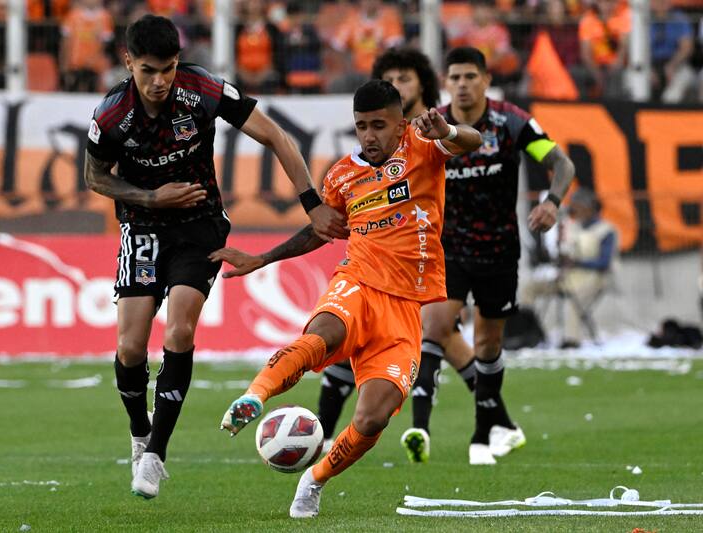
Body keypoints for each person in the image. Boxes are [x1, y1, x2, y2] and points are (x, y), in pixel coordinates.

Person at [83, 14, 347, 500]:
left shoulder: (202, 90)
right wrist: (151, 198)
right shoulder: (111, 115)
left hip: (201, 226)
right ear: (128, 64)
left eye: (166, 68)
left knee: (181, 329)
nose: (159, 81)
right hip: (142, 225)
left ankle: (157, 454)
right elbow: (96, 178)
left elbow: (275, 135)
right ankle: (140, 433)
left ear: (178, 62)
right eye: (147, 71)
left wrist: (311, 204)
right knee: (130, 349)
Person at [214, 79, 481, 518]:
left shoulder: (423, 145)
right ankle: (255, 396)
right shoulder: (341, 175)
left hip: (404, 309)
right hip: (357, 281)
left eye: (379, 125)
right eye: (361, 126)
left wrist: (447, 132)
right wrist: (264, 258)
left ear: (401, 124)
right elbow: (322, 230)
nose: (370, 136)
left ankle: (313, 479)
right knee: (324, 333)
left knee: (373, 417)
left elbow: (473, 141)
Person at [415, 47, 575, 466]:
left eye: (471, 76)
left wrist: (553, 201)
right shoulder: (434, 125)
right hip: (448, 247)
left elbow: (561, 164)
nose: (463, 84)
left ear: (487, 79)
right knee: (434, 325)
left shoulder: (513, 123)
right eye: (455, 77)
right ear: (445, 82)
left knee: (488, 341)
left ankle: (485, 430)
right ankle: (420, 428)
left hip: (500, 248)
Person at [313, 47, 449, 456]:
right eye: (393, 78)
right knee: (348, 339)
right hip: (381, 262)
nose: (401, 84)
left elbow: (464, 147)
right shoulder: (371, 145)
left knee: (440, 330)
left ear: (422, 84)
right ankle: (322, 431)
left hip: (435, 245)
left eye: (407, 77)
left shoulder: (432, 131)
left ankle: (425, 426)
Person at [520, 188, 618, 348]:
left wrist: (576, 263)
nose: (574, 209)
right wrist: (554, 252)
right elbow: (564, 253)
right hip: (568, 277)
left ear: (589, 207)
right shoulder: (573, 227)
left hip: (593, 280)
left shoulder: (606, 230)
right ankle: (528, 332)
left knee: (573, 299)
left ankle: (571, 341)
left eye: (577, 205)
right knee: (530, 289)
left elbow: (604, 263)